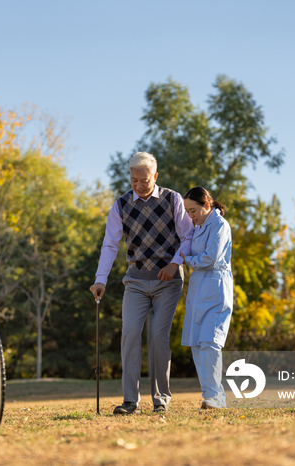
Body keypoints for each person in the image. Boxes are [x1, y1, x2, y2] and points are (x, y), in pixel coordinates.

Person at [90, 152, 193, 414]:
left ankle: (161, 400)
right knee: (130, 334)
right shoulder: (121, 206)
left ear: (155, 177)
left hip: (167, 281)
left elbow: (188, 236)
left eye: (144, 181)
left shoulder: (172, 199)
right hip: (135, 281)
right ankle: (130, 401)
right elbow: (110, 245)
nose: (138, 185)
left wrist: (175, 263)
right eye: (134, 180)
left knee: (158, 337)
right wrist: (100, 279)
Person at [180, 186, 233, 409]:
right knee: (196, 344)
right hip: (198, 289)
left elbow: (210, 258)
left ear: (207, 205)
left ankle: (215, 398)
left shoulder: (219, 225)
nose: (190, 216)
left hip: (215, 288)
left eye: (193, 211)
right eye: (187, 212)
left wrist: (189, 259)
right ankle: (211, 396)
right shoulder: (198, 226)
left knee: (211, 342)